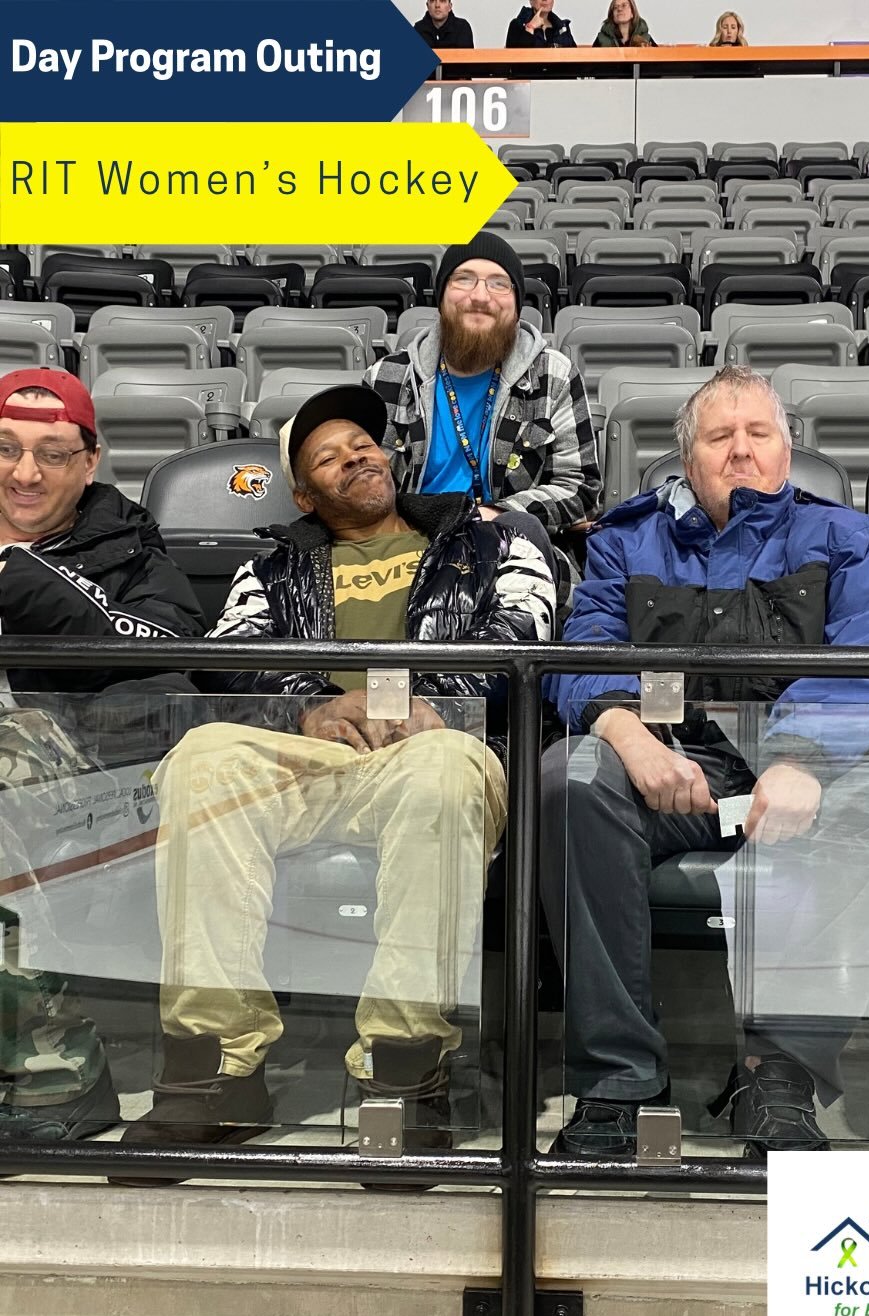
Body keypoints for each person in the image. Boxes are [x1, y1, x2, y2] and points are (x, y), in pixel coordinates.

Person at [117, 383, 556, 1171]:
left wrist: (431, 703)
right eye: (329, 455)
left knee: (444, 772)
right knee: (202, 761)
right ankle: (216, 1072)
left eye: (363, 443)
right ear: (303, 492)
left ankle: (403, 1073)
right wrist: (310, 712)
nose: (355, 455)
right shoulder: (272, 567)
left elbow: (524, 635)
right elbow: (233, 665)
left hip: (435, 743)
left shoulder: (489, 540)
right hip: (314, 753)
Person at [540, 366, 869, 1159]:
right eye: (720, 437)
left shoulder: (845, 538)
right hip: (671, 766)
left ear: (786, 452)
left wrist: (803, 757)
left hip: (809, 769)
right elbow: (581, 650)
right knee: (571, 779)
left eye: (759, 434)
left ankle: (777, 1072)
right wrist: (628, 735)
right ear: (686, 459)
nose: (740, 452)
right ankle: (620, 1081)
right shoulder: (626, 540)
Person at [0, 368, 203, 1144]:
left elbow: (178, 656)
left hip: (98, 767)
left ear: (90, 463)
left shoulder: (127, 551)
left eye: (52, 454)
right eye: (8, 449)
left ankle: (60, 1078)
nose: (26, 473)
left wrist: (19, 576)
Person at [364, 231, 599, 612]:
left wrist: (493, 515)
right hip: (405, 550)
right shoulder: (387, 378)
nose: (480, 296)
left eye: (499, 283)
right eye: (463, 279)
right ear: (440, 298)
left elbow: (581, 488)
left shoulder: (552, 374)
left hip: (511, 553)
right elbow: (364, 486)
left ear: (517, 307)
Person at [506, 0, 576, 48]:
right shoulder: (517, 25)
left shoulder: (562, 28)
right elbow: (515, 60)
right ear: (531, 1)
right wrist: (531, 27)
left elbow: (576, 59)